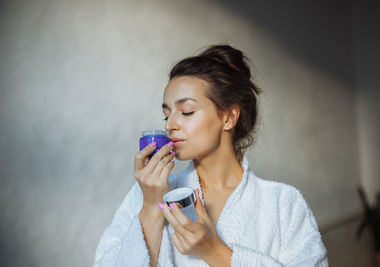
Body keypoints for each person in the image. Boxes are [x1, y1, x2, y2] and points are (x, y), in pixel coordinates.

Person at [93, 45, 328, 266]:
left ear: (228, 117)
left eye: (186, 111)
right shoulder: (148, 194)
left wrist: (214, 251)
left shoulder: (283, 204)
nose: (171, 125)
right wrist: (152, 208)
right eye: (167, 115)